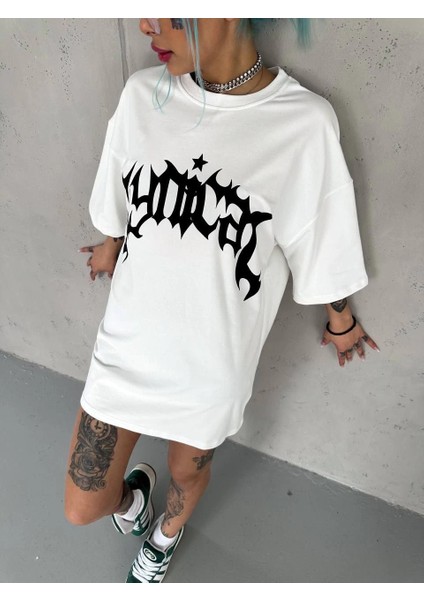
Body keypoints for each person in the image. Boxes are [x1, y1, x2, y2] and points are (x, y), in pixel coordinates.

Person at [64, 18, 379, 584]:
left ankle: (164, 536)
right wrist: (111, 243)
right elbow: (120, 189)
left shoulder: (303, 124)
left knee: (186, 473)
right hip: (126, 347)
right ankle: (134, 501)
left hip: (211, 368)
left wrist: (341, 319)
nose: (145, 23)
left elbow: (320, 237)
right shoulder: (142, 95)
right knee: (82, 505)